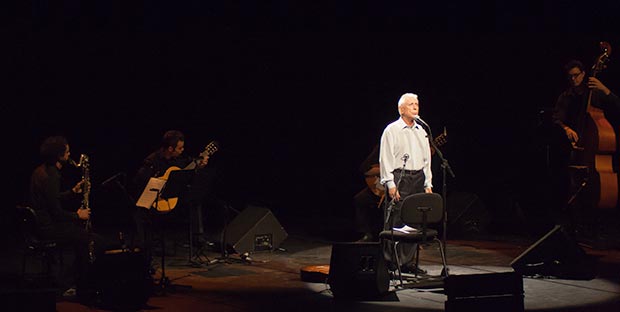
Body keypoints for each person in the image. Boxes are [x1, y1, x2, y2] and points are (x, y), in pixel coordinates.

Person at [551, 59, 620, 236]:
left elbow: (617, 106)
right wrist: (566, 129)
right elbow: (556, 119)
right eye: (570, 76)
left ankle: (599, 226)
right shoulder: (566, 97)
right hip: (574, 150)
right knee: (570, 186)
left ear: (583, 74)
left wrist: (605, 90)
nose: (574, 79)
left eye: (577, 75)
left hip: (595, 152)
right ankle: (575, 226)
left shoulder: (595, 93)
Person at [29, 135, 105, 297]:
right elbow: (56, 212)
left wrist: (72, 192)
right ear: (59, 155)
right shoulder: (51, 176)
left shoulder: (41, 171)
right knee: (92, 240)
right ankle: (70, 283)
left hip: (41, 225)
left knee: (82, 236)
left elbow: (51, 199)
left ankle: (76, 282)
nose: (70, 155)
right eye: (67, 152)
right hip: (47, 229)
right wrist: (78, 216)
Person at [130, 130, 209, 265]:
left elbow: (188, 166)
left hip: (171, 200)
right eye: (179, 148)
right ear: (170, 148)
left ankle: (199, 240)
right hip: (154, 203)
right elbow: (138, 183)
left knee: (195, 200)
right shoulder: (152, 161)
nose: (182, 150)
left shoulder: (178, 160)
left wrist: (199, 165)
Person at [379, 92, 433, 273]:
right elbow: (385, 158)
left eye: (417, 103)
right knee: (396, 220)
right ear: (401, 109)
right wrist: (390, 184)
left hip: (418, 178)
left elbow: (427, 160)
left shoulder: (422, 131)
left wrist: (428, 183)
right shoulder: (391, 130)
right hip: (400, 178)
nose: (415, 107)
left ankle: (408, 263)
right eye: (411, 104)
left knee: (414, 221)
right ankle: (390, 263)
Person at [354, 144, 385, 242]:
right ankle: (367, 233)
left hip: (402, 187)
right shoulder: (382, 147)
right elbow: (366, 169)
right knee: (361, 199)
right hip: (382, 187)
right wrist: (384, 170)